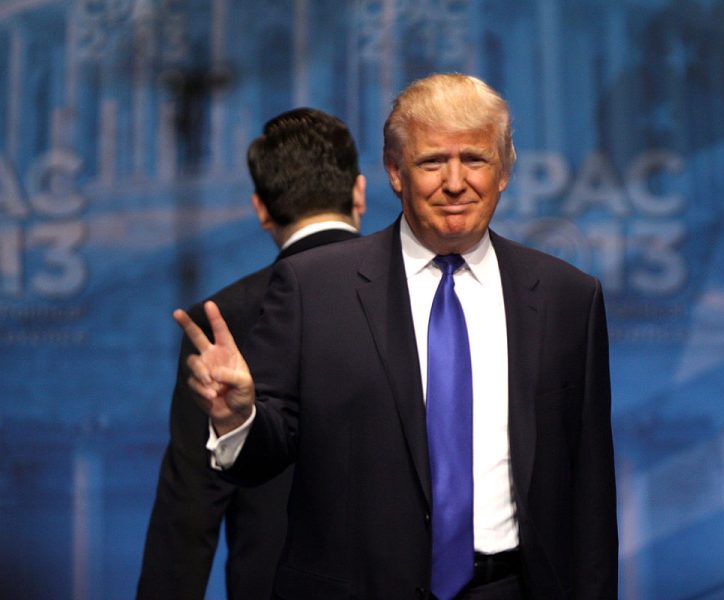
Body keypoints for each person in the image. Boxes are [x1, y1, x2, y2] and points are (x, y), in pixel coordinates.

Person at [176, 73, 617, 599]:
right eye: (432, 162)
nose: (455, 182)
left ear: (503, 171)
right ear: (393, 172)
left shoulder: (568, 296)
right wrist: (238, 419)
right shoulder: (315, 287)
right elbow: (263, 459)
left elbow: (590, 492)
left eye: (475, 159)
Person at [137, 107, 366, 600]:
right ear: (361, 193)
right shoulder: (427, 295)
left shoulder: (221, 319)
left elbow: (189, 508)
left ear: (260, 209)